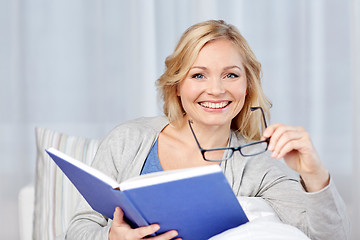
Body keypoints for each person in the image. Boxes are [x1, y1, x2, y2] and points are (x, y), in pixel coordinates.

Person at [66, 20, 350, 240]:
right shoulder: (127, 140)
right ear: (177, 85)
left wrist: (314, 173)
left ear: (247, 85)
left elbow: (328, 236)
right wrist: (110, 237)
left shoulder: (256, 165)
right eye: (198, 75)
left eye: (231, 75)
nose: (215, 90)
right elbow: (78, 229)